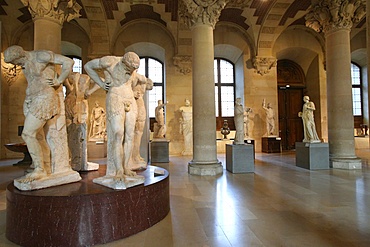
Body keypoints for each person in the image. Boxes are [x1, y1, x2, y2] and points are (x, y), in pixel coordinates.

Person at [3, 45, 74, 182]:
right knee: (39, 136)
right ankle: (44, 166)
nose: (16, 65)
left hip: (44, 98)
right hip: (31, 99)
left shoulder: (40, 56)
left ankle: (39, 169)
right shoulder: (24, 63)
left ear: (20, 55)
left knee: (28, 133)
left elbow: (68, 62)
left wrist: (59, 81)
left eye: (16, 62)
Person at [84, 51, 149, 180]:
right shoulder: (110, 62)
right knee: (118, 134)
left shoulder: (133, 70)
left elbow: (142, 80)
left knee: (130, 135)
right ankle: (118, 170)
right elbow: (88, 66)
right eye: (129, 69)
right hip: (115, 97)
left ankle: (126, 167)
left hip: (130, 99)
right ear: (124, 63)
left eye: (133, 70)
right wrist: (101, 84)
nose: (131, 72)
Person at [129, 74, 153, 170]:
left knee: (139, 133)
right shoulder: (128, 78)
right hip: (132, 105)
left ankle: (136, 155)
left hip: (140, 106)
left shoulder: (139, 78)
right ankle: (131, 157)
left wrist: (144, 81)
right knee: (130, 134)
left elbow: (150, 85)